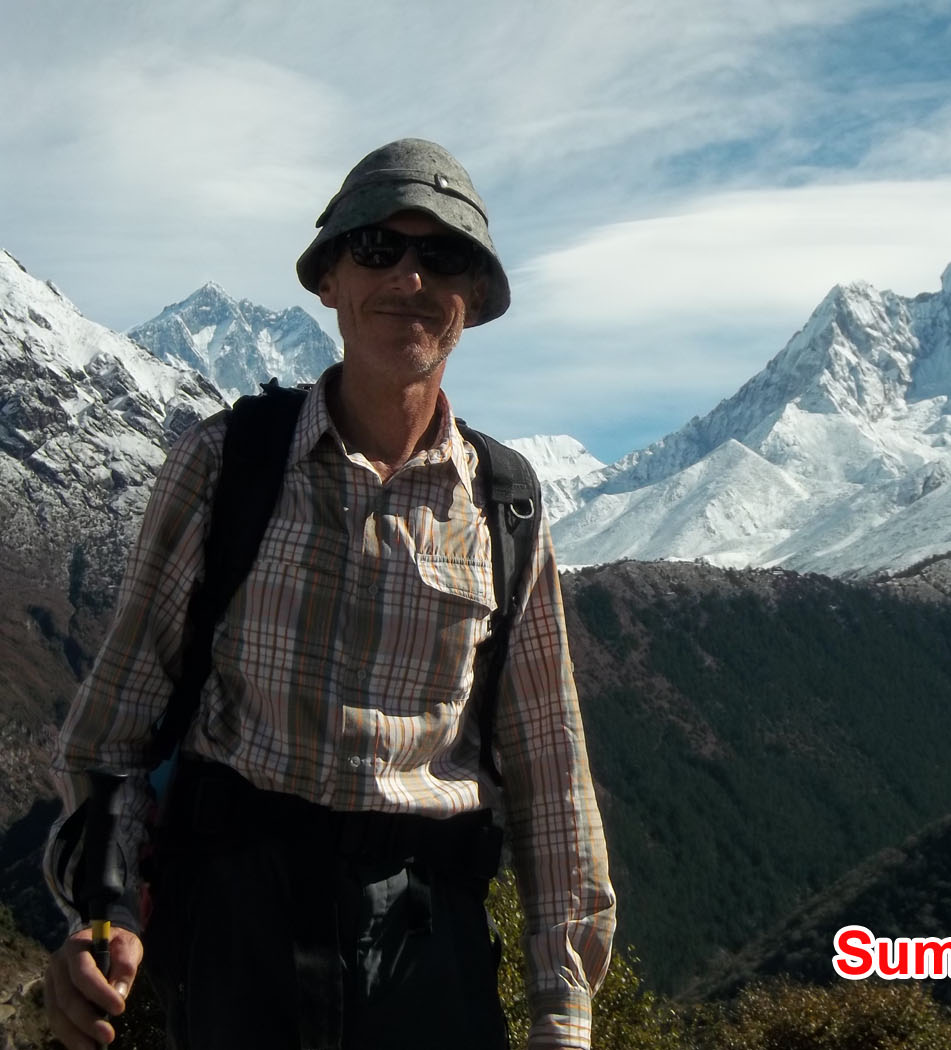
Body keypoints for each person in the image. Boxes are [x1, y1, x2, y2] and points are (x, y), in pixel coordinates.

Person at [42, 138, 615, 1050]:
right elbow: (114, 727)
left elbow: (550, 775)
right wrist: (101, 914)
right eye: (379, 249)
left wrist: (564, 1011)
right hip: (237, 934)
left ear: (473, 299)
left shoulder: (504, 506)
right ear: (329, 282)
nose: (411, 279)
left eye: (444, 256)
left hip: (429, 948)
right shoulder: (225, 464)